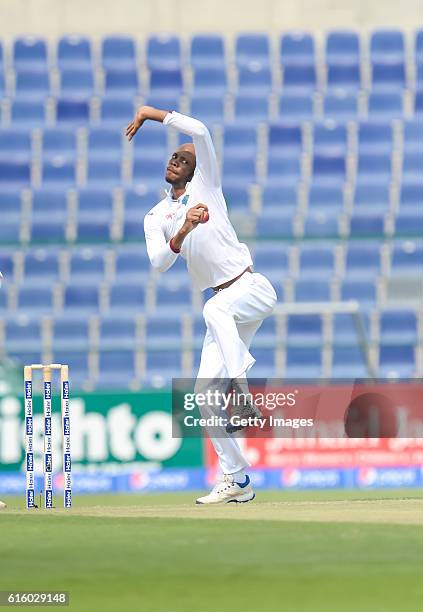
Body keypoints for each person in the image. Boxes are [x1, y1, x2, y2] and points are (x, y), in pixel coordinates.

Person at [126, 107, 277, 504]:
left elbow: (202, 131)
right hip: (223, 303)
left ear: (197, 171)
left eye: (185, 160)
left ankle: (244, 392)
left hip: (250, 286)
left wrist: (152, 114)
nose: (176, 161)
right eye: (175, 157)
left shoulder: (207, 186)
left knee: (213, 312)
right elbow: (160, 263)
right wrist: (185, 228)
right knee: (204, 394)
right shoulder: (156, 215)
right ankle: (237, 480)